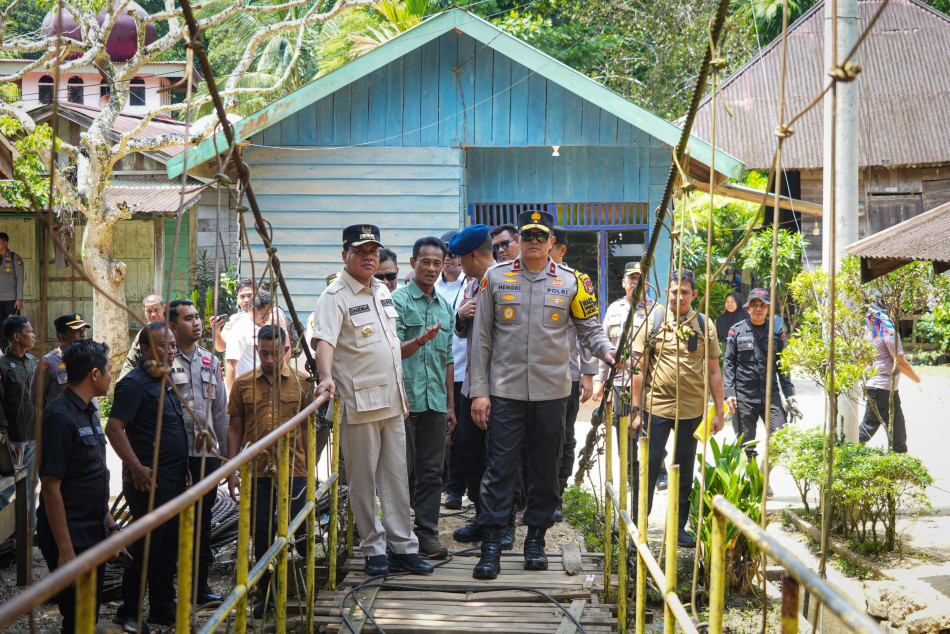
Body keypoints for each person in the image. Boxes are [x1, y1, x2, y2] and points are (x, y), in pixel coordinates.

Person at [469, 210, 617, 579]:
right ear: (519, 239)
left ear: (552, 242)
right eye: (528, 235)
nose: (534, 241)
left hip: (553, 393)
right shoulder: (495, 278)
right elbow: (482, 340)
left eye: (541, 235)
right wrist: (479, 393)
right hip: (505, 393)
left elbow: (590, 329)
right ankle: (491, 546)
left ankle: (535, 540)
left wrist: (607, 352)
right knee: (499, 469)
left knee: (545, 470)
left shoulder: (571, 283)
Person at [312, 224, 432, 577]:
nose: (369, 257)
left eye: (373, 251)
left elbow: (390, 347)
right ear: (345, 254)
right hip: (359, 402)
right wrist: (325, 377)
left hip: (392, 400)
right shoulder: (334, 296)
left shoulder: (381, 289)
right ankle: (374, 549)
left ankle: (402, 546)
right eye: (361, 251)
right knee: (363, 481)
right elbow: (325, 343)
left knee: (396, 477)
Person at [630, 269, 725, 548]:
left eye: (684, 292)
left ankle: (678, 528)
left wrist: (718, 412)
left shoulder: (705, 325)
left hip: (693, 411)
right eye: (674, 292)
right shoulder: (654, 321)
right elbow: (639, 367)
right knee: (647, 466)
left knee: (683, 470)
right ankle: (639, 525)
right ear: (666, 293)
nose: (679, 297)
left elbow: (714, 372)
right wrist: (635, 410)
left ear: (693, 294)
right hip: (656, 407)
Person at [36, 339, 126, 634]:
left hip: (93, 530)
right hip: (71, 535)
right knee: (76, 616)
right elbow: (50, 487)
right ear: (95, 375)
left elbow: (93, 477)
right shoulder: (60, 417)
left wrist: (111, 530)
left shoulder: (88, 410)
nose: (112, 376)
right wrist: (65, 551)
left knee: (89, 613)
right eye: (110, 371)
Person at [106, 323, 189, 631]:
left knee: (167, 548)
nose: (171, 351)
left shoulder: (166, 379)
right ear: (145, 350)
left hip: (173, 480)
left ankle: (162, 607)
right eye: (164, 346)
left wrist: (186, 472)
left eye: (172, 345)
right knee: (145, 548)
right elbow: (113, 429)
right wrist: (137, 467)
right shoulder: (134, 384)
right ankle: (128, 611)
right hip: (149, 483)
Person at [226, 325, 313, 618]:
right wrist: (232, 470)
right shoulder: (243, 383)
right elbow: (234, 427)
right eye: (263, 353)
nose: (270, 360)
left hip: (295, 469)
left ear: (286, 351)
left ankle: (299, 585)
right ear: (256, 351)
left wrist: (309, 468)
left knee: (297, 530)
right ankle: (269, 594)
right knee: (261, 534)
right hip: (257, 473)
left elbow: (307, 429)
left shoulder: (302, 383)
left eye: (275, 353)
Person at [392, 236, 455, 559]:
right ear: (413, 263)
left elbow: (447, 358)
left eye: (437, 263)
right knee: (400, 471)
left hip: (435, 403)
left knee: (432, 471)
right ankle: (399, 538)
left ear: (444, 265)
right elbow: (392, 353)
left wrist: (450, 405)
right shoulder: (398, 301)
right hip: (403, 402)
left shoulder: (445, 306)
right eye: (425, 262)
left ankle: (427, 534)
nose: (431, 268)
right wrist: (419, 339)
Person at [167, 299, 228, 604]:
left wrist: (226, 458)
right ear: (172, 326)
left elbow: (221, 413)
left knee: (202, 523)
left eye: (197, 317)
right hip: (175, 458)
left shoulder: (210, 361)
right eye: (188, 318)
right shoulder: (163, 362)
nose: (196, 323)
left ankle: (199, 589)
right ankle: (167, 592)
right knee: (172, 523)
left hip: (205, 457)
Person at [592, 262, 668, 495]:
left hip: (648, 382)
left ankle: (659, 468)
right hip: (619, 382)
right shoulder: (614, 310)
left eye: (640, 279)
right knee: (623, 429)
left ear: (647, 284)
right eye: (631, 278)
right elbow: (604, 345)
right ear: (624, 283)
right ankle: (630, 472)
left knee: (649, 426)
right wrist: (599, 380)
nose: (635, 283)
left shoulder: (658, 311)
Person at [447, 225, 495, 544]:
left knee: (500, 454)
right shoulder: (471, 282)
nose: (459, 265)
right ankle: (482, 515)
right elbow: (464, 331)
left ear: (474, 255)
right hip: (469, 383)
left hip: (498, 385)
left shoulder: (504, 280)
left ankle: (498, 522)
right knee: (469, 450)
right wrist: (461, 314)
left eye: (461, 259)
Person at [548, 227, 599, 521]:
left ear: (560, 249)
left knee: (565, 438)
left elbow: (588, 327)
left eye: (549, 244)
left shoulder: (578, 281)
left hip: (568, 375)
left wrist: (589, 373)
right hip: (534, 377)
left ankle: (557, 495)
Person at [723, 289, 799, 477]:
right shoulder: (737, 330)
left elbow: (783, 364)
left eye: (762, 305)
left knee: (780, 438)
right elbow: (729, 363)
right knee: (746, 443)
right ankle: (753, 479)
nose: (758, 309)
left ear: (768, 308)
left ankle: (763, 477)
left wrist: (789, 394)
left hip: (770, 396)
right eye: (754, 305)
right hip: (744, 396)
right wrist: (729, 392)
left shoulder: (776, 331)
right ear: (748, 308)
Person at [859, 300, 920, 453]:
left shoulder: (871, 326)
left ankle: (899, 453)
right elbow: (900, 362)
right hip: (881, 387)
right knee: (868, 426)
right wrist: (918, 380)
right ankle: (843, 452)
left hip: (882, 386)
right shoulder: (887, 330)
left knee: (897, 423)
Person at [436, 230, 468, 510]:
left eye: (454, 253)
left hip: (464, 373)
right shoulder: (427, 285)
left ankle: (456, 490)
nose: (449, 258)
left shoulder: (472, 284)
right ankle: (438, 485)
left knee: (461, 435)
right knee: (437, 434)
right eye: (445, 253)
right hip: (435, 373)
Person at [0, 316, 37, 514]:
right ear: (16, 336)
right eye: (29, 332)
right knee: (7, 487)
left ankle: (29, 532)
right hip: (15, 441)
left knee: (32, 486)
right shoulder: (2, 366)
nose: (34, 336)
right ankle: (3, 536)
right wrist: (7, 440)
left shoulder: (34, 362)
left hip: (34, 436)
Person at [30, 313, 93, 411]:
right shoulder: (48, 362)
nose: (83, 335)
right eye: (77, 331)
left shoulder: (90, 359)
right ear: (62, 337)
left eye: (84, 330)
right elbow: (36, 399)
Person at [224, 290, 273, 392]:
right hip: (247, 390)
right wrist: (231, 397)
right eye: (265, 314)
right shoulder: (240, 329)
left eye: (269, 314)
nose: (268, 318)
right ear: (254, 309)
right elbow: (230, 364)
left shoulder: (263, 326)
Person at [119, 294, 165, 379]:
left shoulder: (173, 329)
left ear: (164, 308)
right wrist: (123, 384)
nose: (153, 315)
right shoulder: (142, 334)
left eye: (156, 310)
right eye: (149, 311)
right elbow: (130, 363)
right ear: (144, 311)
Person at [215, 277, 255, 353]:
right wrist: (216, 331)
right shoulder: (234, 319)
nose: (246, 300)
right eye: (242, 296)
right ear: (237, 299)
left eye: (250, 296)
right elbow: (221, 348)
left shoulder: (267, 317)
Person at [0, 232, 24, 351]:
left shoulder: (15, 258)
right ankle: (5, 351)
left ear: (5, 243)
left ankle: (18, 349)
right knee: (1, 327)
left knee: (14, 326)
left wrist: (19, 298)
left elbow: (20, 278)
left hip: (11, 299)